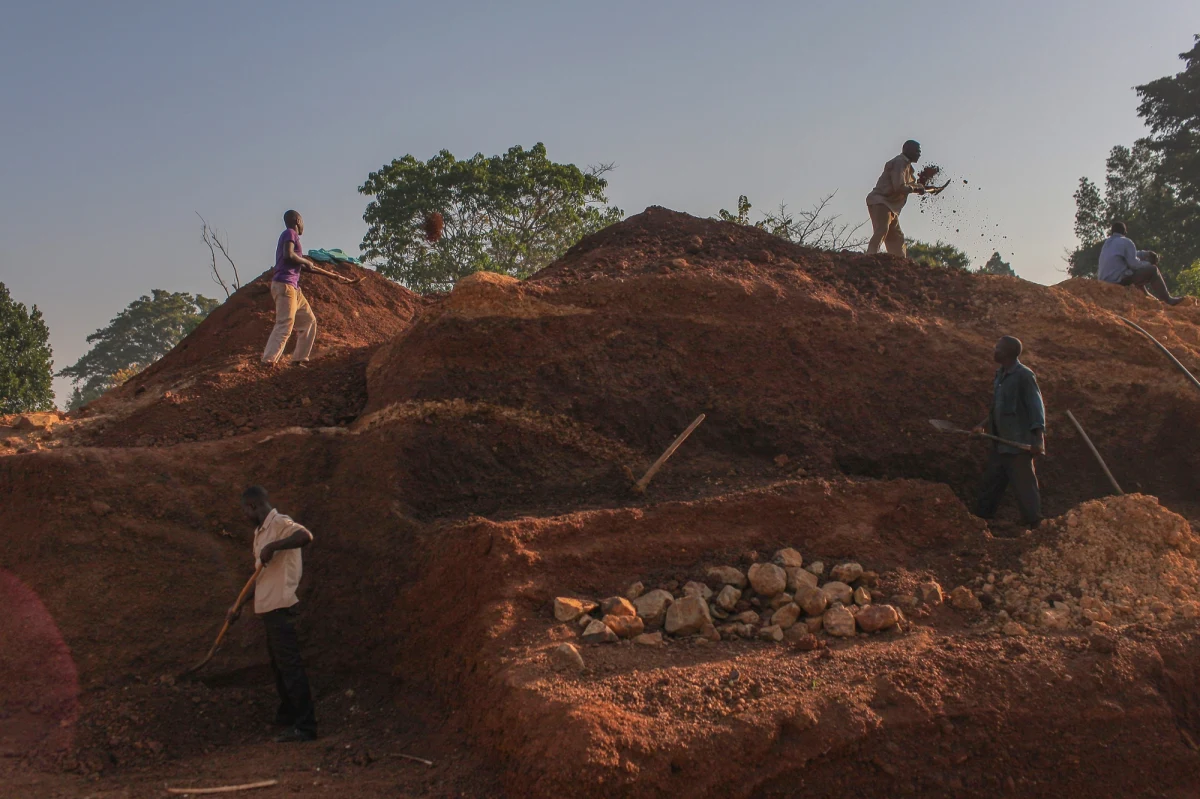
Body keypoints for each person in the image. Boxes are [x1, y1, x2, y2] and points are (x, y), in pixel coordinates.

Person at [228, 485, 317, 742]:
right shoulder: (259, 534)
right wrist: (238, 605)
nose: (244, 515)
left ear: (252, 506)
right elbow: (260, 578)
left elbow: (306, 536)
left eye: (244, 510)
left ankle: (306, 726)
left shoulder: (279, 523)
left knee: (290, 667)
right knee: (279, 668)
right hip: (268, 610)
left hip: (281, 607)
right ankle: (289, 714)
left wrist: (276, 546)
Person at [972, 336, 1046, 529]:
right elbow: (996, 408)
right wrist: (982, 425)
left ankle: (1035, 525)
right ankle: (979, 522)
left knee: (1025, 488)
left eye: (997, 348)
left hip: (1018, 443)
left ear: (1007, 353)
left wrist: (1038, 439)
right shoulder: (1000, 375)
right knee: (991, 484)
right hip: (1000, 443)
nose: (994, 350)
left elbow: (1036, 408)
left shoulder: (1024, 375)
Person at [262, 210, 319, 365]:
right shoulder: (290, 233)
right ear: (298, 220)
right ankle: (268, 360)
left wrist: (307, 266)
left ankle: (299, 359)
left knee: (309, 321)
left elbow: (293, 260)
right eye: (302, 221)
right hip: (285, 285)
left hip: (293, 288)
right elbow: (288, 255)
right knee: (285, 322)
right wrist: (305, 261)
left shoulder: (290, 235)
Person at [1096, 221, 1183, 306]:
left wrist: (1146, 253)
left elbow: (1129, 254)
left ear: (1112, 232)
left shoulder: (1107, 243)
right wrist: (1149, 263)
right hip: (1117, 281)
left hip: (1104, 281)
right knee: (1152, 270)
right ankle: (1168, 300)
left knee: (1133, 273)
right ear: (1125, 232)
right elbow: (1134, 264)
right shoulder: (1126, 242)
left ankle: (1150, 299)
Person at [865, 140, 927, 257]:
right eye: (917, 151)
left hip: (890, 206)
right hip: (881, 201)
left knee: (896, 238)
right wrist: (915, 189)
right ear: (908, 150)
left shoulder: (907, 166)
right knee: (882, 229)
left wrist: (919, 187)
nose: (919, 154)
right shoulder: (900, 163)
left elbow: (909, 184)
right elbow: (899, 186)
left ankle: (900, 263)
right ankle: (870, 257)